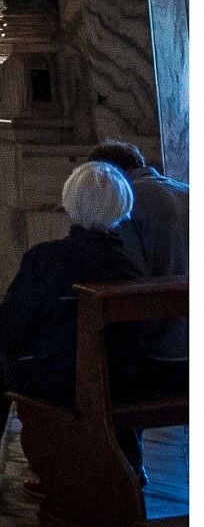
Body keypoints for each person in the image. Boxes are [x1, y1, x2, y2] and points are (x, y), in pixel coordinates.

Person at [0, 160, 155, 503]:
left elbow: (9, 327)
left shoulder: (48, 258)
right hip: (120, 380)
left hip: (56, 378)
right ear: (122, 206)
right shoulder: (128, 266)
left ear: (70, 202)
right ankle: (130, 465)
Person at [89, 140, 188, 364]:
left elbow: (128, 273)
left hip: (165, 347)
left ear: (110, 174)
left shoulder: (126, 202)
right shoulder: (186, 190)